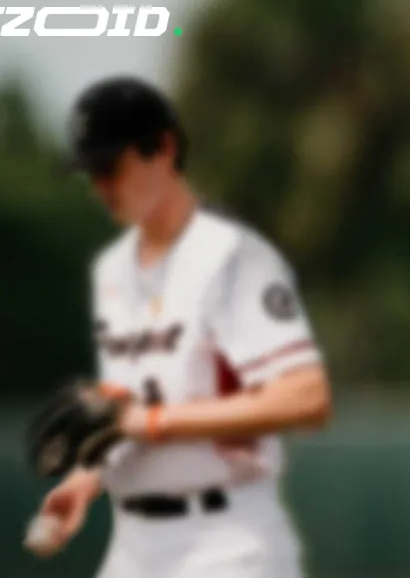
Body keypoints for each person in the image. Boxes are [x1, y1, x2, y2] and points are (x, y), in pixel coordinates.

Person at [28, 77, 333, 578]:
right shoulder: (111, 270)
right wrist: (90, 475)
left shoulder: (232, 257)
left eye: (111, 166)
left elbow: (307, 396)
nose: (101, 186)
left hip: (225, 541)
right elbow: (128, 407)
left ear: (163, 148)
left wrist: (152, 422)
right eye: (91, 172)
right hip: (134, 546)